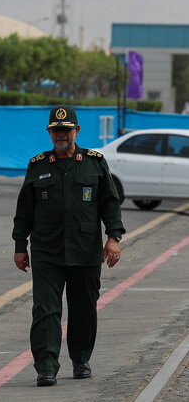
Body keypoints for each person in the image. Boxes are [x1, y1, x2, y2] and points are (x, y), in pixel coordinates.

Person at [12, 105, 125, 387]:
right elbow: (24, 209)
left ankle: (80, 359)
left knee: (83, 308)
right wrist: (19, 245)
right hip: (46, 252)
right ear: (50, 133)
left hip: (85, 251)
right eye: (56, 130)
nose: (61, 134)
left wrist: (113, 237)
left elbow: (109, 203)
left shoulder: (94, 163)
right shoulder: (37, 165)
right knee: (46, 310)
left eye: (66, 129)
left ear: (76, 131)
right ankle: (46, 367)